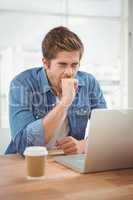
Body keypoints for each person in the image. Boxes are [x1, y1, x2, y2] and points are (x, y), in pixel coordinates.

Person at [5, 26, 107, 155]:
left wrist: (84, 145)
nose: (69, 72)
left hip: (68, 161)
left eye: (74, 65)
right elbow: (23, 145)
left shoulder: (89, 83)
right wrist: (65, 102)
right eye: (62, 64)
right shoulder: (22, 84)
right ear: (46, 63)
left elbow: (105, 131)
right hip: (26, 161)